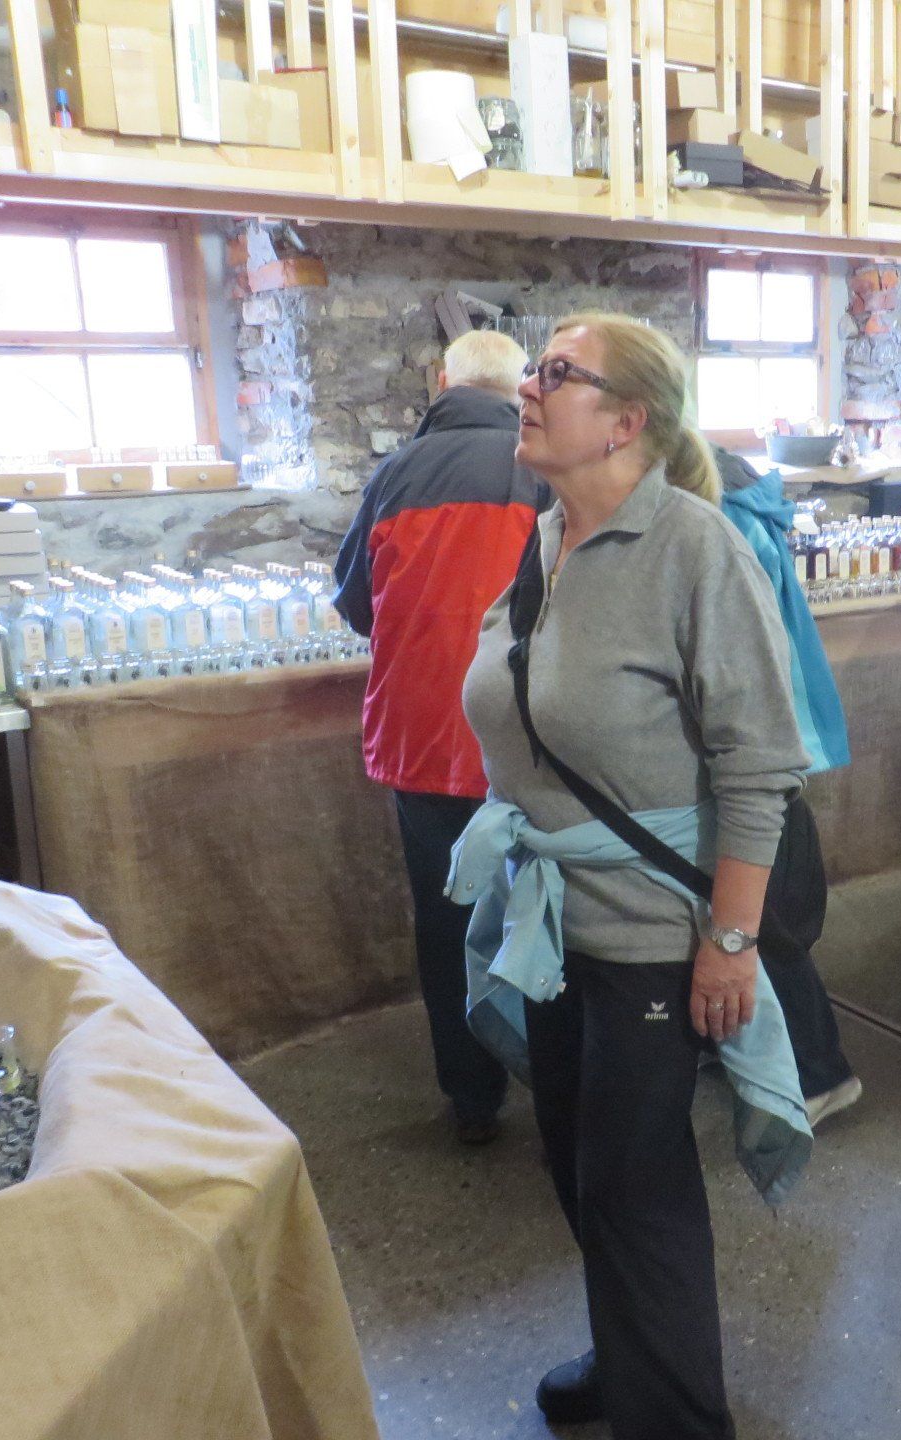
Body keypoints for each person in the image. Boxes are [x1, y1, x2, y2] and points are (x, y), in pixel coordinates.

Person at [451, 313, 811, 1439]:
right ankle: (628, 1356)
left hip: (654, 930)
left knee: (636, 1184)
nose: (529, 385)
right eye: (533, 367)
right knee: (577, 1161)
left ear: (625, 421)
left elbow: (760, 764)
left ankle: (679, 1417)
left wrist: (732, 941)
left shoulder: (695, 549)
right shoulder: (547, 539)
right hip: (553, 923)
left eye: (559, 373)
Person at [332, 329, 543, 1146]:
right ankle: (559, 1085)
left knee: (448, 916)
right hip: (530, 732)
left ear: (443, 383)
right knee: (548, 907)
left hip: (423, 734)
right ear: (520, 386)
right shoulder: (546, 465)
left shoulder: (395, 474)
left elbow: (357, 606)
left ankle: (472, 1098)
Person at [714, 444, 862, 1124]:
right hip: (777, 738)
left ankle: (819, 1076)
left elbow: (740, 654)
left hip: (756, 747)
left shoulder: (721, 521)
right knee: (768, 918)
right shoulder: (741, 506)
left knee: (764, 926)